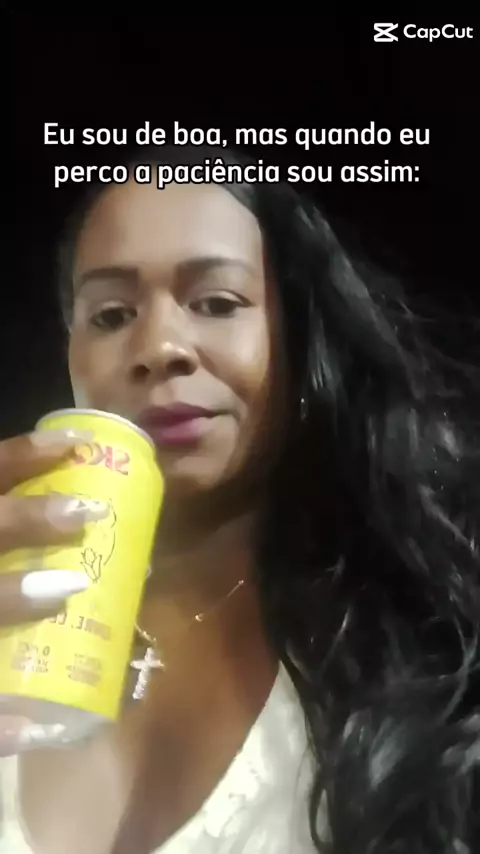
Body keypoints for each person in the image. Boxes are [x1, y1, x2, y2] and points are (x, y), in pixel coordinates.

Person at [0, 146, 479, 853]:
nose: (159, 346)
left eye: (218, 303)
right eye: (111, 315)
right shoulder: (15, 609)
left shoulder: (431, 644)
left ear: (300, 344)